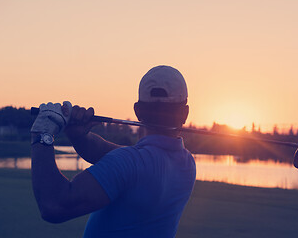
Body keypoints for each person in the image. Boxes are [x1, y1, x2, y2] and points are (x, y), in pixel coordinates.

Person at [30, 65, 196, 237]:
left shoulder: (129, 162)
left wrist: (43, 133)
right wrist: (78, 137)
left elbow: (54, 205)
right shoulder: (187, 164)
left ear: (137, 111)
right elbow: (105, 152)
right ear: (185, 113)